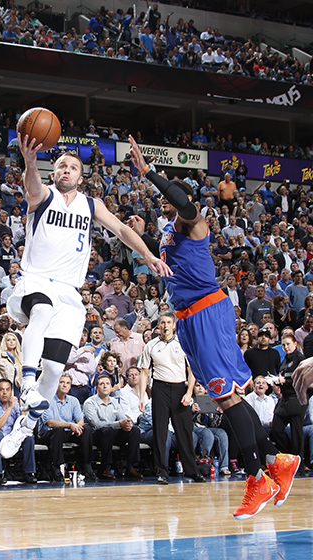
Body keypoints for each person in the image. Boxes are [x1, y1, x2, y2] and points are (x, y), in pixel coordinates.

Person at [128, 135, 300, 520]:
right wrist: (144, 234)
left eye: (171, 198)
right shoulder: (173, 233)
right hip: (192, 318)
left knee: (225, 398)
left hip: (205, 312)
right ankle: (277, 460)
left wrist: (149, 172)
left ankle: (258, 476)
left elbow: (185, 204)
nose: (167, 203)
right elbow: (175, 260)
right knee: (233, 394)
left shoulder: (195, 222)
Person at [0, 139, 169, 460]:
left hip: (68, 293)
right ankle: (26, 386)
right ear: (54, 172)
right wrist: (30, 161)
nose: (66, 170)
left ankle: (24, 425)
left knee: (53, 369)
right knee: (42, 308)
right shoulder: (44, 195)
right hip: (35, 280)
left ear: (81, 176)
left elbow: (121, 229)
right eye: (61, 165)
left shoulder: (91, 205)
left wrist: (148, 255)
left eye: (73, 167)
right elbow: (31, 186)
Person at [139, 312, 204, 484]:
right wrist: (141, 396)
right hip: (159, 388)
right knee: (160, 432)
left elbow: (192, 371)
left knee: (184, 432)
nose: (165, 325)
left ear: (174, 325)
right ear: (158, 325)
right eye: (162, 322)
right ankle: (161, 471)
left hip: (179, 388)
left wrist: (189, 392)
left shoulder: (183, 343)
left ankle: (192, 470)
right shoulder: (151, 345)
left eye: (168, 322)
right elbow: (144, 372)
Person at [83, 374, 143, 479]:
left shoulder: (115, 402)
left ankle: (130, 467)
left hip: (112, 433)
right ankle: (105, 468)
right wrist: (119, 424)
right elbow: (96, 425)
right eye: (102, 384)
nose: (105, 386)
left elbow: (122, 418)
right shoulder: (90, 403)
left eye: (107, 384)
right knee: (107, 430)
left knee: (134, 430)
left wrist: (127, 424)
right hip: (96, 435)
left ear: (111, 388)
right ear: (97, 388)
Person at [38, 374, 96, 481]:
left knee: (86, 429)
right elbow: (50, 423)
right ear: (56, 384)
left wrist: (78, 426)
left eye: (68, 383)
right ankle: (57, 467)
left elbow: (80, 419)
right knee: (58, 430)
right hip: (49, 434)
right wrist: (70, 425)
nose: (65, 385)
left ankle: (87, 465)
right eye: (62, 382)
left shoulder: (74, 400)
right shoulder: (47, 400)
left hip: (67, 432)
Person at [0, 379, 36, 485]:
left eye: (7, 389)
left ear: (11, 391)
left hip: (9, 438)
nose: (5, 392)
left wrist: (22, 409)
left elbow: (22, 425)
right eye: (1, 390)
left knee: (28, 436)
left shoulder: (15, 403)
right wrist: (9, 408)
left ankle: (29, 473)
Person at [270, 335, 306, 466]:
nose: (286, 347)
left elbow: (302, 378)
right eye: (284, 345)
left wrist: (286, 380)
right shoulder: (285, 359)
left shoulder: (300, 359)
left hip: (297, 398)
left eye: (288, 344)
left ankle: (298, 463)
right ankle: (290, 455)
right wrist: (277, 382)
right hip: (284, 399)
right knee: (276, 430)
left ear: (295, 344)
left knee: (297, 432)